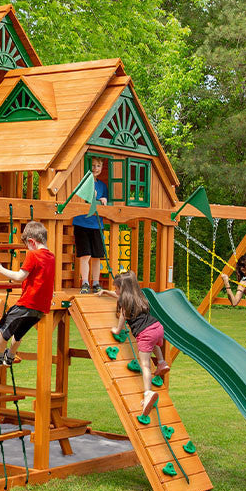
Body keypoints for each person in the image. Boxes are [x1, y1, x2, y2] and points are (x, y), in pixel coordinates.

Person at [0, 220, 55, 367]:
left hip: (27, 303)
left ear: (32, 242)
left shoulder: (33, 255)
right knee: (19, 332)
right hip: (41, 307)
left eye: (27, 246)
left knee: (3, 327)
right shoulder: (51, 257)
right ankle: (10, 356)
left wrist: (1, 270)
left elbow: (20, 277)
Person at [110, 271, 170, 417]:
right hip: (157, 327)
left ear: (123, 289)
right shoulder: (139, 297)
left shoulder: (124, 304)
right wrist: (106, 293)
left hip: (145, 333)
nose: (115, 291)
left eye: (116, 289)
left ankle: (148, 392)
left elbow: (120, 324)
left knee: (145, 365)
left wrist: (116, 330)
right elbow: (120, 297)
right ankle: (161, 362)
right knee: (154, 343)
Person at [72, 156, 108, 294]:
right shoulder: (82, 183)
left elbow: (105, 202)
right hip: (81, 223)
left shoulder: (102, 185)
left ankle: (97, 283)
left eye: (98, 166)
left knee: (97, 256)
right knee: (85, 255)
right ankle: (85, 282)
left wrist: (103, 199)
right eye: (93, 165)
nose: (95, 168)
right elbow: (79, 197)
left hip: (96, 224)